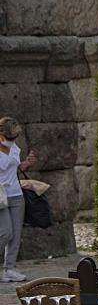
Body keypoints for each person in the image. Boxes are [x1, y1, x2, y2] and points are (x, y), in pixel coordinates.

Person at [0, 118, 36, 282]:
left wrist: (26, 164)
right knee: (5, 233)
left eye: (14, 138)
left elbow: (15, 168)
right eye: (9, 138)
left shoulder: (14, 147)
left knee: (15, 234)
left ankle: (10, 268)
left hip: (16, 194)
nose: (12, 141)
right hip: (1, 196)